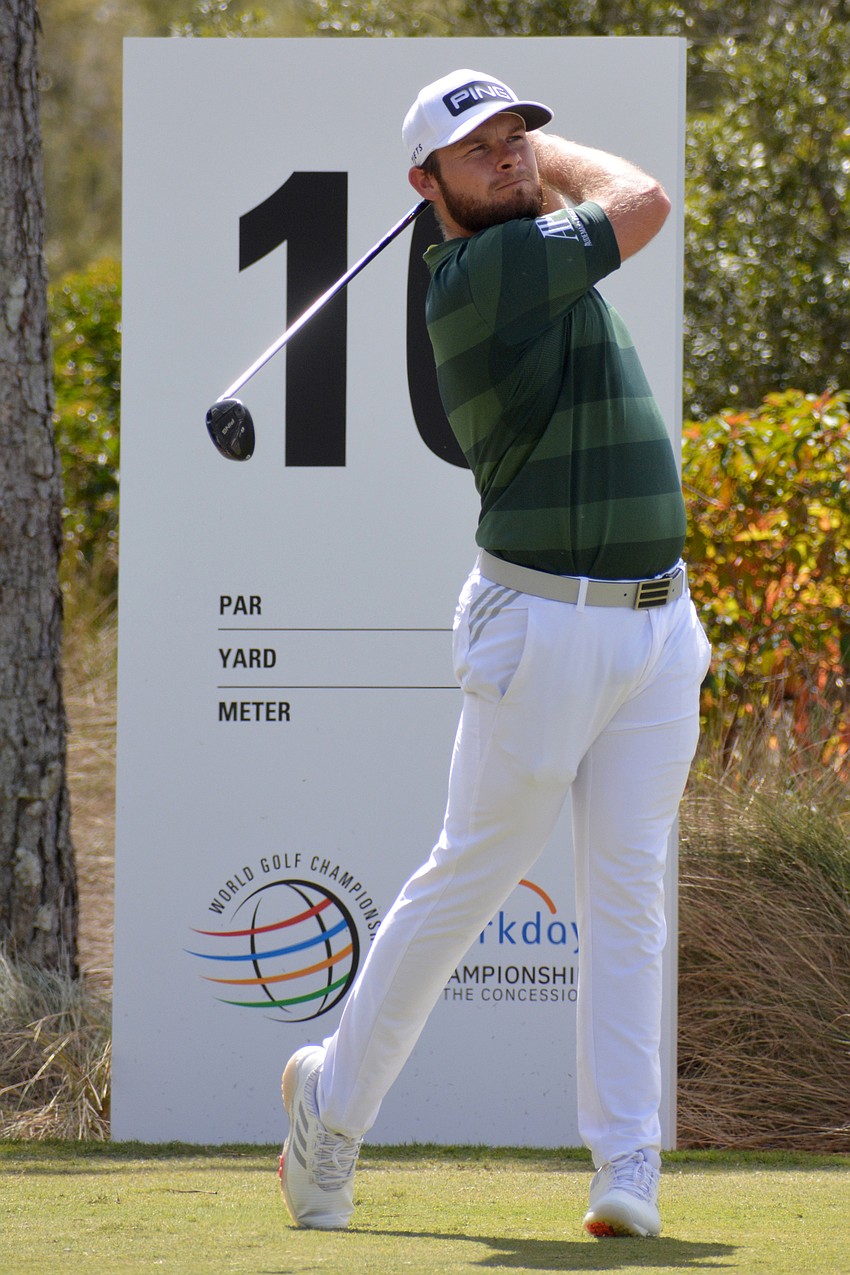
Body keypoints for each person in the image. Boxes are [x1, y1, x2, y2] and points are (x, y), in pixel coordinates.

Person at [278, 67, 711, 1239]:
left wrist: (516, 163)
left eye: (521, 137)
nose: (514, 158)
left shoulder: (527, 243)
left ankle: (627, 1165)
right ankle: (332, 1107)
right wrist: (557, 173)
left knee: (626, 898)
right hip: (541, 626)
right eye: (481, 152)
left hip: (657, 626)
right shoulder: (484, 273)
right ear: (426, 188)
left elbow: (608, 207)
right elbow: (643, 197)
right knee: (467, 883)